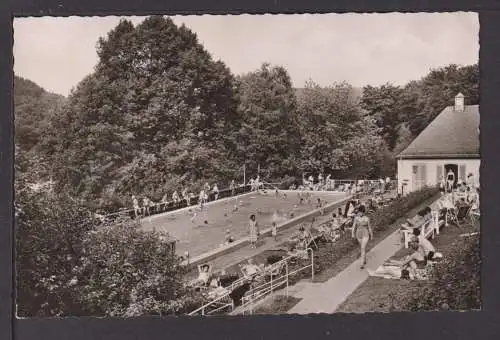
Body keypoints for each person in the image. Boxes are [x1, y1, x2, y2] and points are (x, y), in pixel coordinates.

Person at [352, 205, 373, 269]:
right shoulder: (356, 218)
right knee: (362, 248)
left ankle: (362, 263)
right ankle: (364, 259)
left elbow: (369, 227)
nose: (360, 213)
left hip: (365, 234)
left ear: (364, 212)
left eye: (361, 212)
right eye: (359, 212)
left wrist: (371, 235)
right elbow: (353, 226)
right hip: (358, 234)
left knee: (362, 248)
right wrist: (352, 234)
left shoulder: (366, 218)